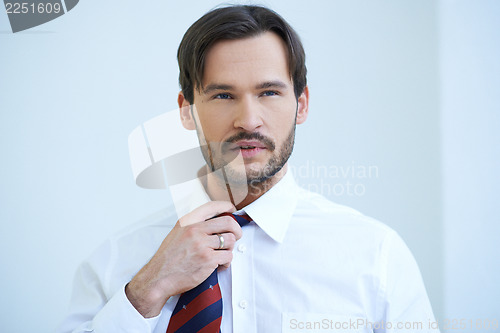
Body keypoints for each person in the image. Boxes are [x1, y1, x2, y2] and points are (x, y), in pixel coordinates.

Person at [58, 4, 439, 333]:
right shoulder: (116, 263)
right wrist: (147, 291)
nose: (249, 120)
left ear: (301, 105)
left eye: (269, 93)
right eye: (223, 95)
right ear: (186, 110)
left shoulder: (375, 256)